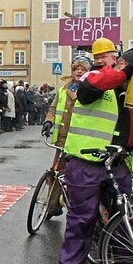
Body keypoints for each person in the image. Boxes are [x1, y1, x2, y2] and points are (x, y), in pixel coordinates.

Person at [59, 39, 133, 264]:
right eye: (100, 56)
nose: (104, 60)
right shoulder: (93, 77)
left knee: (124, 217)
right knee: (83, 218)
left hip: (117, 163)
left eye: (109, 56)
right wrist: (124, 72)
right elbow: (92, 88)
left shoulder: (130, 91)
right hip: (86, 159)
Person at [41, 55, 92, 217]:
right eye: (76, 68)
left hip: (81, 141)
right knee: (57, 173)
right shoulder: (63, 89)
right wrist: (48, 122)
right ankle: (51, 207)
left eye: (83, 69)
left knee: (77, 178)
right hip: (63, 139)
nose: (79, 71)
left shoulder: (91, 90)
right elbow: (53, 109)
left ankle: (76, 210)